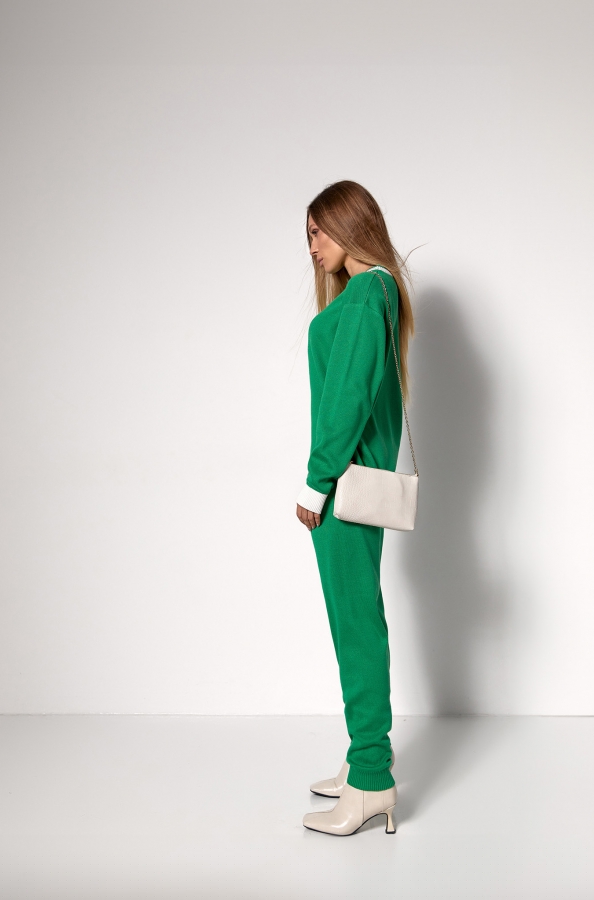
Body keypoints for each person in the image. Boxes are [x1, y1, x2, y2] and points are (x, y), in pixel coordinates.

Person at [296, 180, 416, 836]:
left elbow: (347, 399)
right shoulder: (369, 293)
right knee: (355, 623)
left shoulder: (370, 291)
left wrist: (315, 483)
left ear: (348, 223)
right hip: (349, 487)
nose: (312, 247)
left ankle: (371, 777)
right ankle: (361, 759)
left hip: (343, 490)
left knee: (357, 626)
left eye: (318, 231)